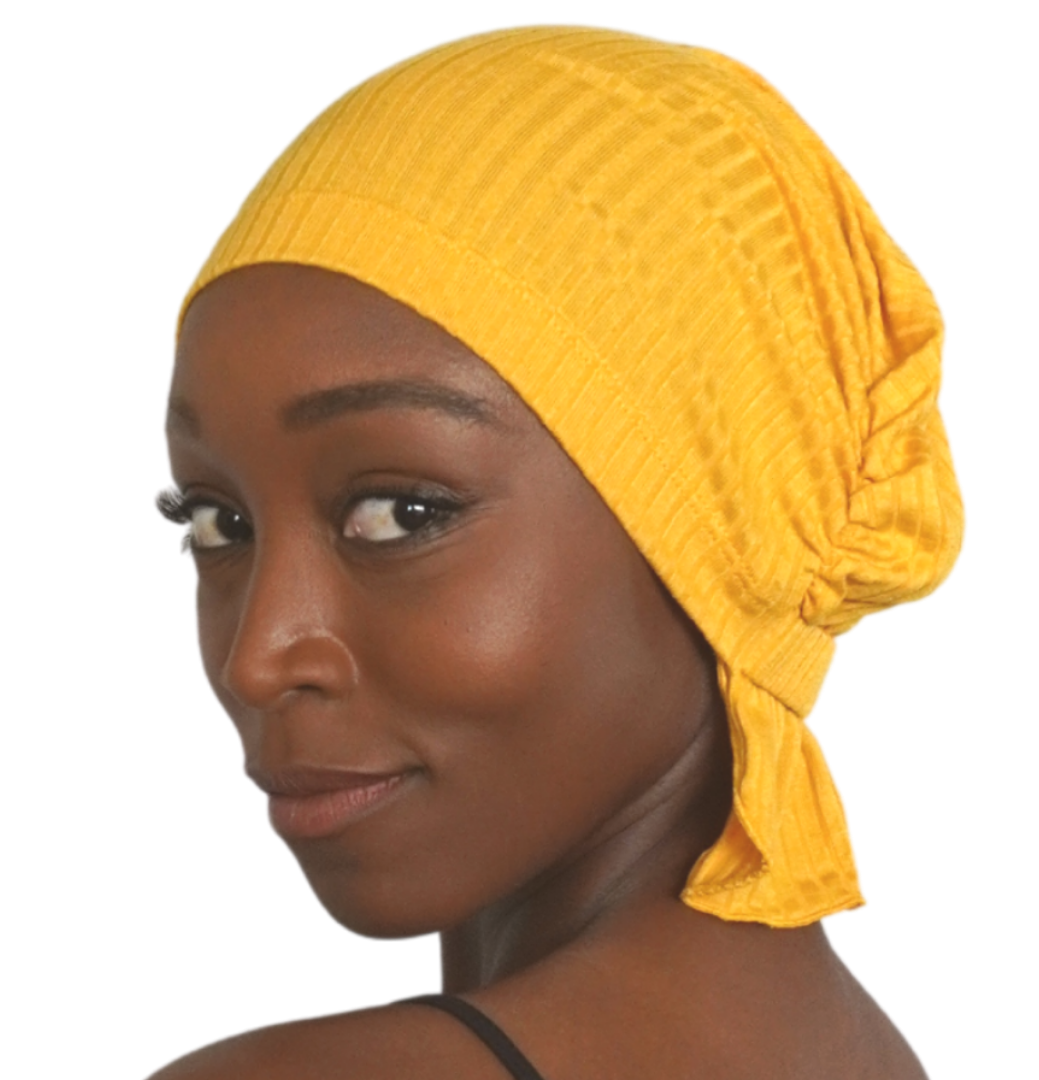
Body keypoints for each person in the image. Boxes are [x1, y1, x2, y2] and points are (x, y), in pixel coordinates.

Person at [148, 23, 965, 1079]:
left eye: (400, 512)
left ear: (728, 530)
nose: (257, 658)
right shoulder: (873, 1054)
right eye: (216, 523)